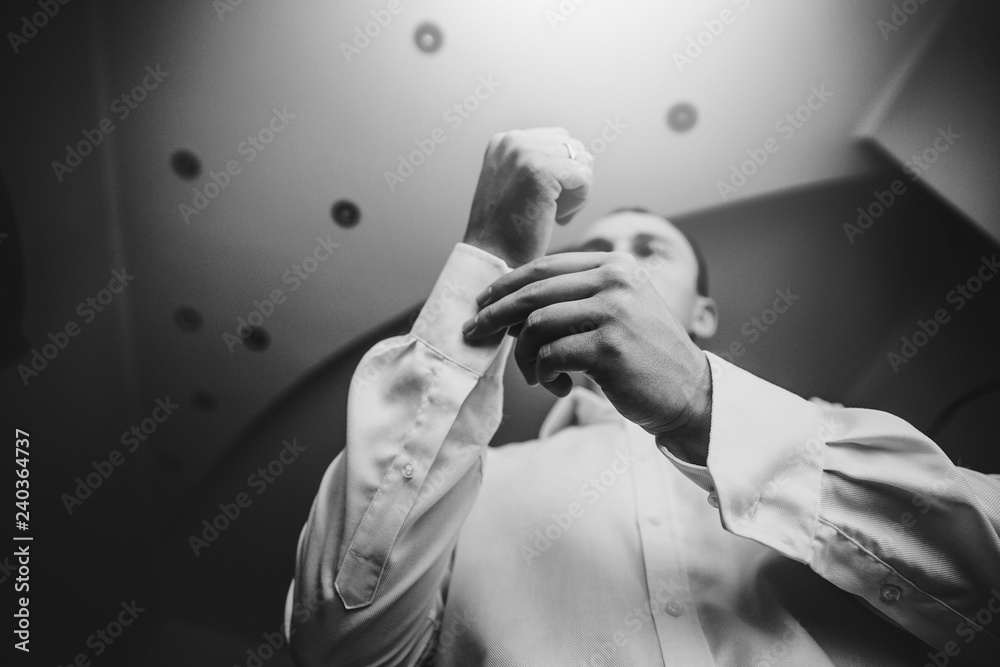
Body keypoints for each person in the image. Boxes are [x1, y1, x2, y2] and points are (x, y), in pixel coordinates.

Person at [284, 128, 1000, 666]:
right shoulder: (465, 491)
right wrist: (486, 254)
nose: (614, 265)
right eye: (594, 248)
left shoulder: (832, 434)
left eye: (649, 250)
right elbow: (342, 644)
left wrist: (700, 399)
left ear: (702, 314)